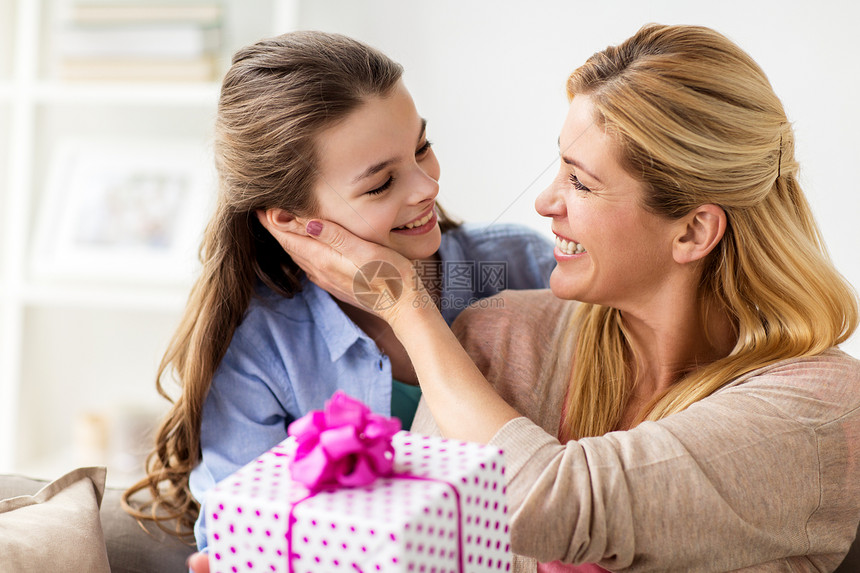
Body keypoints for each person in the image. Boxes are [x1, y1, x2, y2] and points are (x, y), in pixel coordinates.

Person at [258, 23, 860, 572]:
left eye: (580, 181)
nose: (546, 202)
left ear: (692, 231)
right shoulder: (497, 337)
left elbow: (560, 503)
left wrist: (404, 304)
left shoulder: (823, 407)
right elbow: (411, 552)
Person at [122, 30, 555, 552]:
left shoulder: (520, 265)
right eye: (379, 184)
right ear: (292, 220)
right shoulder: (261, 346)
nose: (426, 187)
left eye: (422, 148)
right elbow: (237, 532)